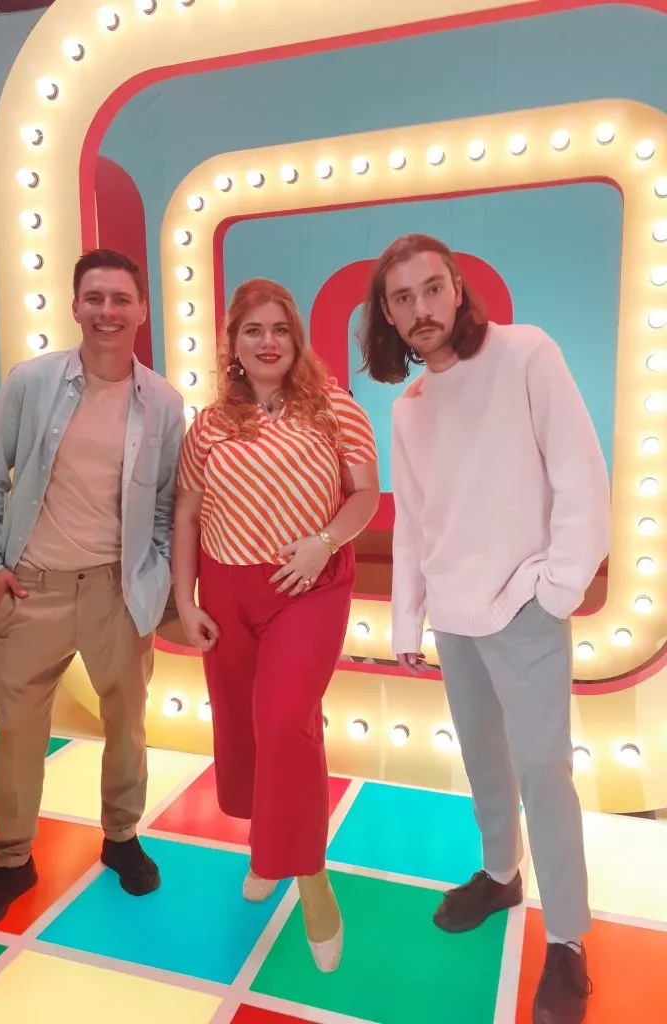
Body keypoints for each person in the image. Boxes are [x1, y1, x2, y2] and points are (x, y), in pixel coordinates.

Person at [359, 234, 609, 1024]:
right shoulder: (410, 406)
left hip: (525, 605)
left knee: (543, 772)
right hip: (455, 615)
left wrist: (557, 588)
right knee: (483, 760)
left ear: (458, 289)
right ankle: (501, 875)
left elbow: (581, 474)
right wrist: (408, 616)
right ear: (388, 315)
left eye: (432, 289)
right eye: (403, 298)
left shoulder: (526, 353)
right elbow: (415, 521)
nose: (421, 308)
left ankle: (566, 938)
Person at [0, 248, 184, 936]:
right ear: (75, 305)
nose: (107, 311)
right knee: (19, 734)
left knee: (128, 726)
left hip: (118, 592)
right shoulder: (31, 383)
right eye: (95, 298)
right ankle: (12, 860)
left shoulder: (164, 402)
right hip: (33, 589)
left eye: (121, 299)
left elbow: (168, 505)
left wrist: (153, 582)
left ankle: (121, 837)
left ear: (142, 310)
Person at [172, 278, 379, 972]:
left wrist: (324, 541)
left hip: (308, 585)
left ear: (297, 339)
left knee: (285, 718)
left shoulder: (335, 409)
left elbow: (364, 494)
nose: (267, 342)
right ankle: (269, 847)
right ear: (233, 343)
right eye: (253, 330)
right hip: (226, 589)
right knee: (242, 724)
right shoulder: (208, 425)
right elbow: (187, 515)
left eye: (280, 329)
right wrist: (185, 599)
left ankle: (310, 878)